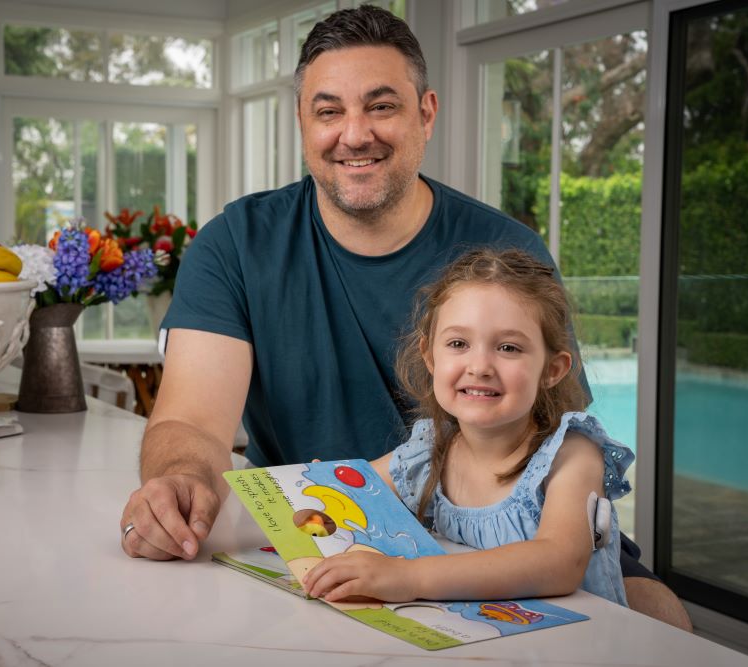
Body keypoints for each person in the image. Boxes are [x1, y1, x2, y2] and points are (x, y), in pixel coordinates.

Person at [120, 5, 691, 631]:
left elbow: (555, 439)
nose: (355, 133)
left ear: (427, 113)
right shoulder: (235, 244)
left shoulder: (508, 253)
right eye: (329, 110)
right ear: (304, 122)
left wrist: (429, 567)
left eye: (382, 106)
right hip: (339, 531)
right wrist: (181, 487)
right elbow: (192, 422)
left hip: (506, 537)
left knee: (664, 618)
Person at [304, 248, 629, 605]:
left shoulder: (571, 456)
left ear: (552, 370)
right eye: (458, 343)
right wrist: (318, 485)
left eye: (508, 347)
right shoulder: (429, 451)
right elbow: (354, 488)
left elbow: (559, 562)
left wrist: (409, 577)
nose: (479, 366)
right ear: (430, 356)